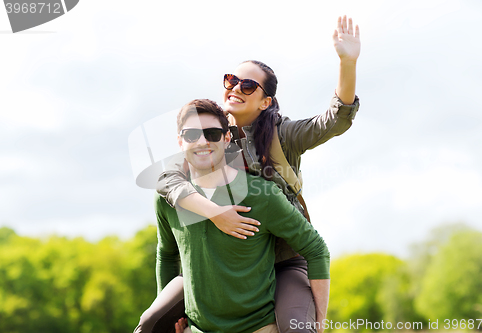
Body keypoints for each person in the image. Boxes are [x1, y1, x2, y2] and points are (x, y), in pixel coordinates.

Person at [135, 15, 360, 333]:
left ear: (265, 100)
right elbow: (165, 179)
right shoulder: (207, 136)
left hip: (281, 258)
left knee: (298, 328)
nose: (236, 88)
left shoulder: (284, 136)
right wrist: (217, 214)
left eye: (248, 85)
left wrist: (347, 62)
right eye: (231, 80)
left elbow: (335, 121)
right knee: (152, 322)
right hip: (219, 262)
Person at [152, 99, 330, 333]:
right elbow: (166, 255)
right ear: (180, 141)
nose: (203, 141)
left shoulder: (262, 195)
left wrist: (319, 321)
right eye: (192, 134)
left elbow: (316, 249)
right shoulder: (168, 201)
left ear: (227, 139)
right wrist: (171, 315)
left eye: (213, 133)